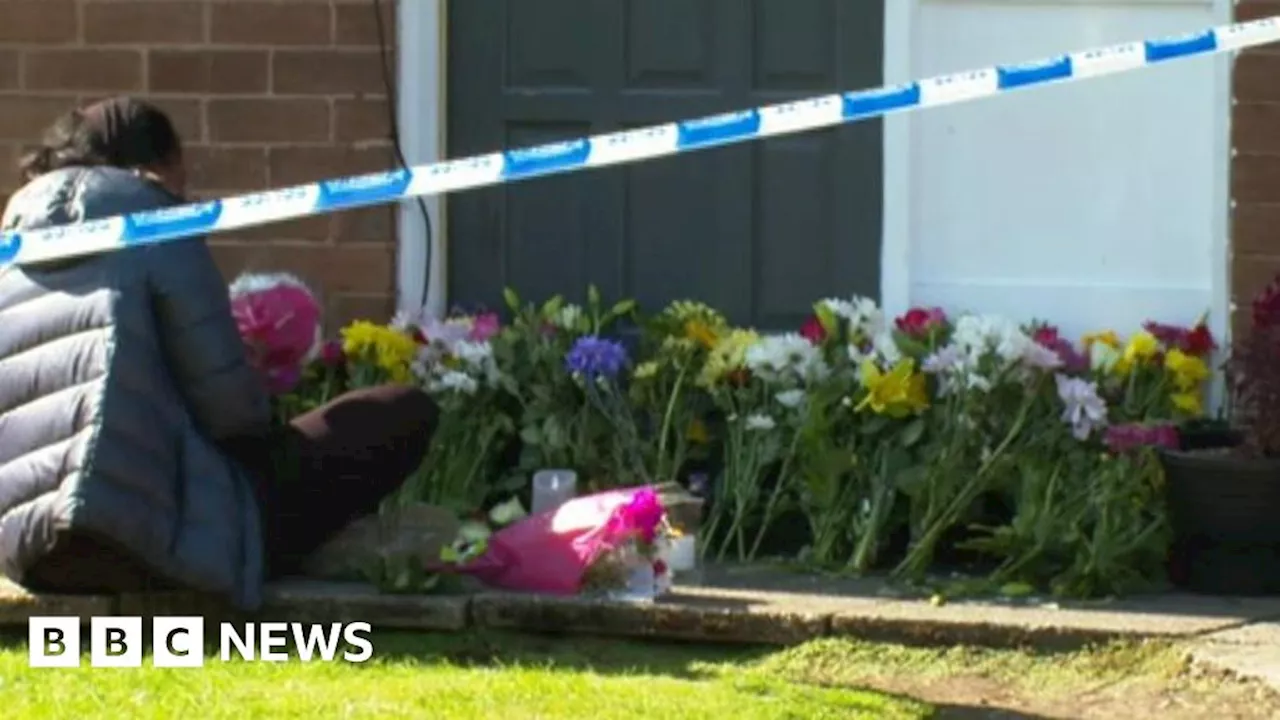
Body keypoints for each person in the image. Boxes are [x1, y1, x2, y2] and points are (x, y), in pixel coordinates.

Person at [0, 97, 438, 609]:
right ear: (154, 167)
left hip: (26, 549)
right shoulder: (155, 222)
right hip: (140, 537)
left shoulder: (12, 249)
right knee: (398, 412)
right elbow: (232, 415)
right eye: (181, 174)